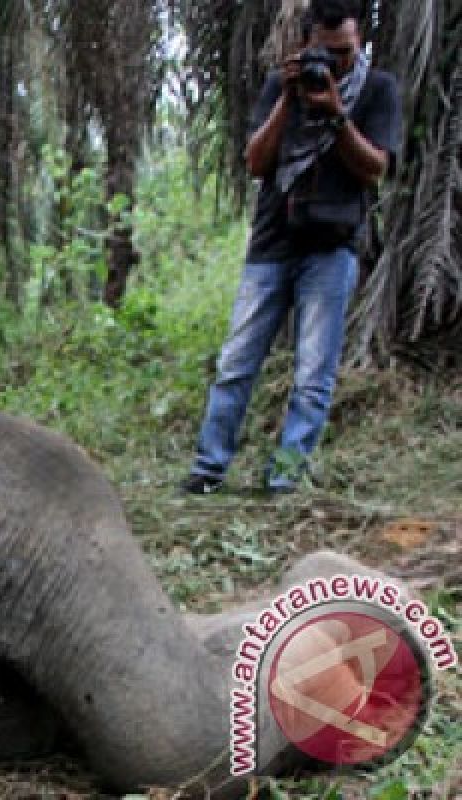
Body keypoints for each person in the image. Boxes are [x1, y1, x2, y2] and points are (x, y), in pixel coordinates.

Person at [180, 0, 401, 495]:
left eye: (346, 52)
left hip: (332, 247)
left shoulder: (378, 90)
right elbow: (256, 162)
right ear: (305, 48)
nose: (337, 64)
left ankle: (284, 478)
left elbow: (375, 169)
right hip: (272, 244)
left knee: (312, 377)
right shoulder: (282, 87)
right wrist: (289, 98)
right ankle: (208, 470)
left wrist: (337, 117)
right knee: (236, 363)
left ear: (359, 43)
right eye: (326, 53)